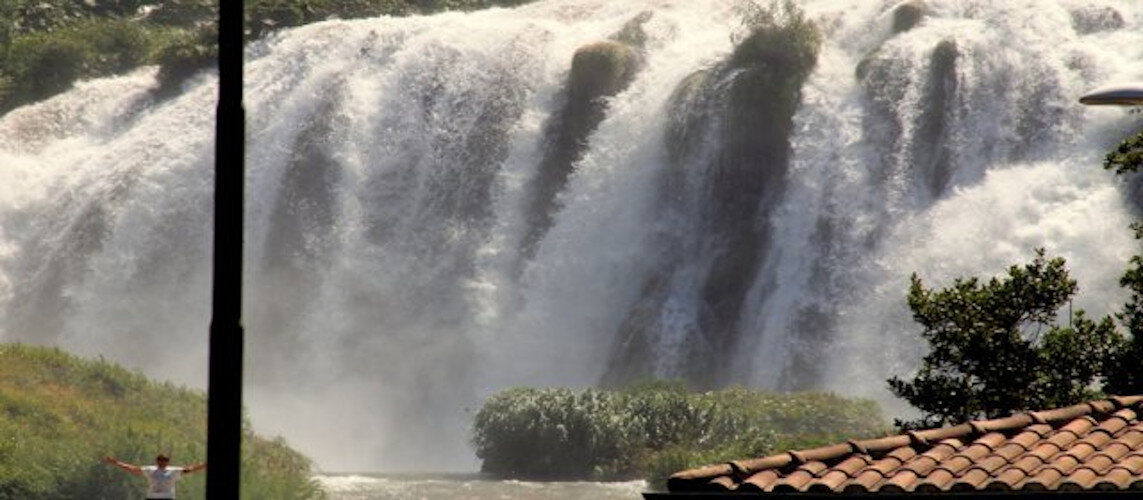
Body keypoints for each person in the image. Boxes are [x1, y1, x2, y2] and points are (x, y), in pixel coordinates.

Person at [104, 454, 206, 500]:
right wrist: (116, 463)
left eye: (164, 460)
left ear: (167, 462)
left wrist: (204, 465)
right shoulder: (150, 470)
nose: (162, 462)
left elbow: (190, 469)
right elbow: (133, 469)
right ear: (157, 461)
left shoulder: (174, 471)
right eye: (160, 460)